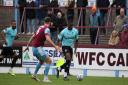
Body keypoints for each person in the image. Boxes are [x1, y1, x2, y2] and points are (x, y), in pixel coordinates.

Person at [25, 17, 61, 82]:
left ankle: (34, 75)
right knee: (49, 61)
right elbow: (47, 38)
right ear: (50, 22)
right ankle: (45, 78)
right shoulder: (47, 29)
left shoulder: (40, 27)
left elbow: (33, 36)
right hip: (38, 48)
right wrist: (55, 46)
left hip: (34, 48)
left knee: (41, 61)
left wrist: (27, 45)